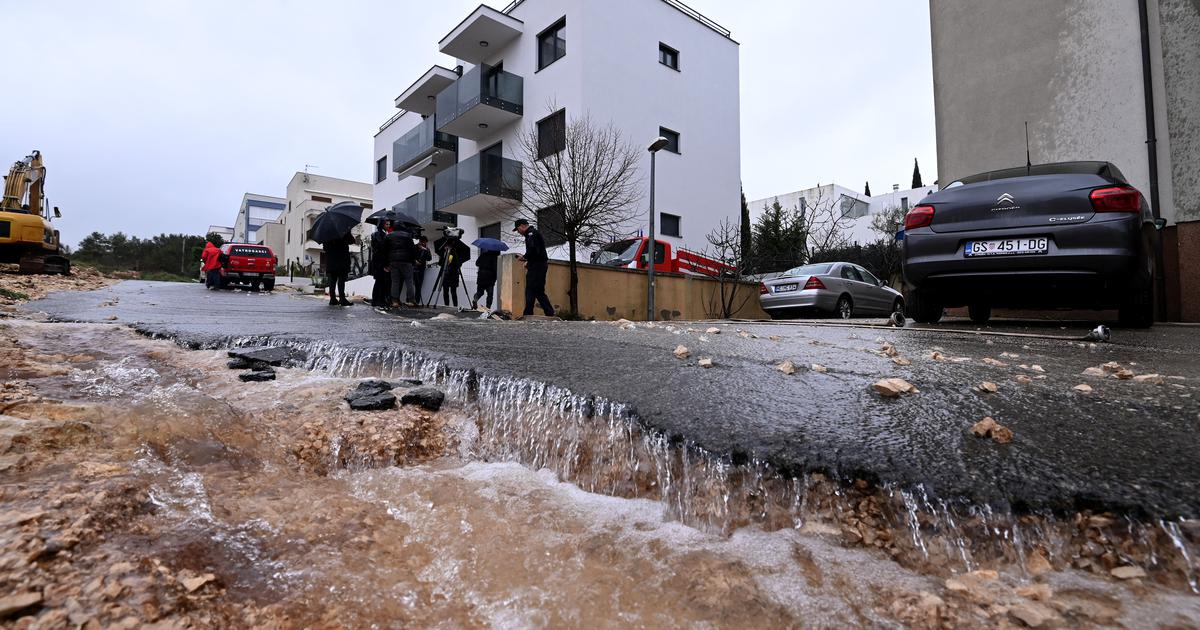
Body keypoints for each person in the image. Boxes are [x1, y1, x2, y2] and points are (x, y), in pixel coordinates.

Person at [514, 219, 555, 317]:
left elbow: (533, 249)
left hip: (537, 266)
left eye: (518, 229)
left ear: (522, 226)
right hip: (538, 265)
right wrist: (528, 262)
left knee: (530, 289)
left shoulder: (531, 234)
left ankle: (528, 313)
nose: (518, 232)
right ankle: (549, 312)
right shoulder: (532, 233)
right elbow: (537, 251)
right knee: (538, 290)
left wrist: (525, 257)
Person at [434, 229, 471, 308]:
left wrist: (455, 261)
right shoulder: (444, 252)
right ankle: (446, 305)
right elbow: (441, 263)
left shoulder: (456, 252)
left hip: (453, 273)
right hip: (445, 274)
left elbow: (459, 263)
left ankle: (455, 306)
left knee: (453, 291)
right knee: (445, 291)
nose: (448, 246)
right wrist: (445, 254)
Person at [385, 223, 418, 307]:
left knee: (395, 281)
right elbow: (412, 249)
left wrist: (387, 263)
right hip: (406, 261)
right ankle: (411, 300)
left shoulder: (389, 236)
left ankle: (395, 301)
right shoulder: (408, 236)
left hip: (393, 261)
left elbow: (385, 250)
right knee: (409, 281)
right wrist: (413, 260)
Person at [323, 233, 354, 306]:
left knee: (332, 280)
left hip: (331, 261)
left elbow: (325, 248)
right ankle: (342, 299)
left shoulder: (327, 233)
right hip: (341, 260)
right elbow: (351, 241)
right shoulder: (343, 230)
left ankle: (332, 299)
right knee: (341, 280)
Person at [369, 221, 391, 307]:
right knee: (380, 281)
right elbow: (382, 249)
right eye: (386, 224)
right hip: (380, 261)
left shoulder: (378, 234)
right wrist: (385, 264)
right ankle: (377, 300)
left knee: (380, 281)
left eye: (389, 224)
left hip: (378, 261)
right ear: (382, 225)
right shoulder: (381, 235)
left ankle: (377, 300)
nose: (388, 226)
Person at [413, 235, 432, 305]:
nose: (424, 244)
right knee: (411, 285)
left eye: (425, 243)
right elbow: (410, 256)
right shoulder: (414, 247)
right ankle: (409, 300)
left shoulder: (426, 249)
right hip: (414, 267)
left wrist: (426, 250)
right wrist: (415, 261)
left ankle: (416, 301)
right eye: (423, 243)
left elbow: (429, 258)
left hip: (421, 268)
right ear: (420, 242)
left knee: (419, 285)